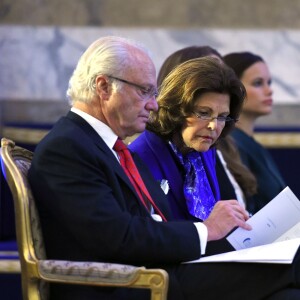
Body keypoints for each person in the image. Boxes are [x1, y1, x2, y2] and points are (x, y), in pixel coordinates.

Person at [28, 36, 300, 300]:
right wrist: (207, 230)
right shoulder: (67, 147)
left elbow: (150, 223)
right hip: (132, 286)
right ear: (103, 87)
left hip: (160, 273)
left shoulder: (102, 146)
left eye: (154, 93)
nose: (154, 104)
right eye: (144, 91)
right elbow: (118, 237)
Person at [156, 46, 257, 210]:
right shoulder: (144, 154)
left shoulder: (206, 150)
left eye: (223, 116)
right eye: (203, 113)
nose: (213, 125)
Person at [223, 52, 286, 214]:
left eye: (269, 83)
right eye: (258, 83)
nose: (269, 91)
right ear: (234, 89)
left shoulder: (250, 143)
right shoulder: (230, 143)